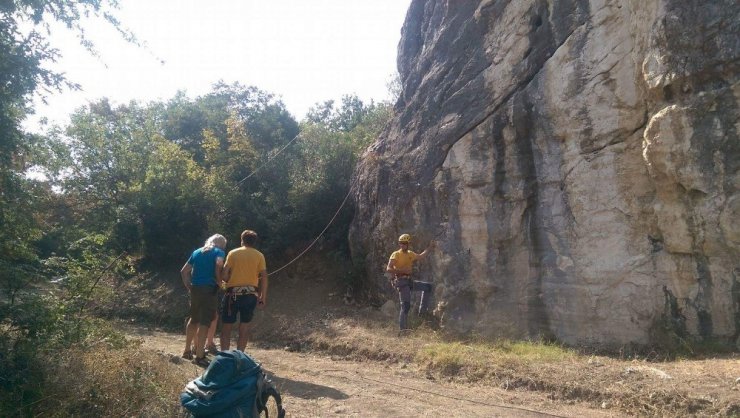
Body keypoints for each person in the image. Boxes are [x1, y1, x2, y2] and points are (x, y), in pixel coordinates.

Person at [181, 234, 227, 365]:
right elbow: (218, 269)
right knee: (205, 321)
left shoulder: (197, 252)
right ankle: (200, 355)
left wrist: (189, 286)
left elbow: (184, 271)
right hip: (209, 290)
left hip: (195, 288)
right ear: (222, 245)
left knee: (194, 318)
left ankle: (187, 351)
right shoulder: (219, 252)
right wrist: (222, 284)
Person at [220, 229, 268, 351]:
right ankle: (240, 356)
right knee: (244, 328)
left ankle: (225, 356)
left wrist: (225, 283)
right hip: (250, 295)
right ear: (254, 242)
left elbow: (224, 275)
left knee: (226, 327)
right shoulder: (259, 255)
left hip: (232, 294)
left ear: (242, 240)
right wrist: (262, 297)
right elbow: (264, 277)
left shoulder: (233, 253)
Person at [386, 233, 435, 332]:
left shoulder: (410, 254)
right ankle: (402, 330)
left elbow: (421, 256)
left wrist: (430, 247)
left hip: (408, 281)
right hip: (401, 282)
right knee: (405, 306)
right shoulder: (396, 254)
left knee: (428, 287)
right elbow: (388, 269)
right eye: (400, 243)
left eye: (404, 243)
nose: (402, 245)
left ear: (408, 244)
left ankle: (422, 313)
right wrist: (403, 271)